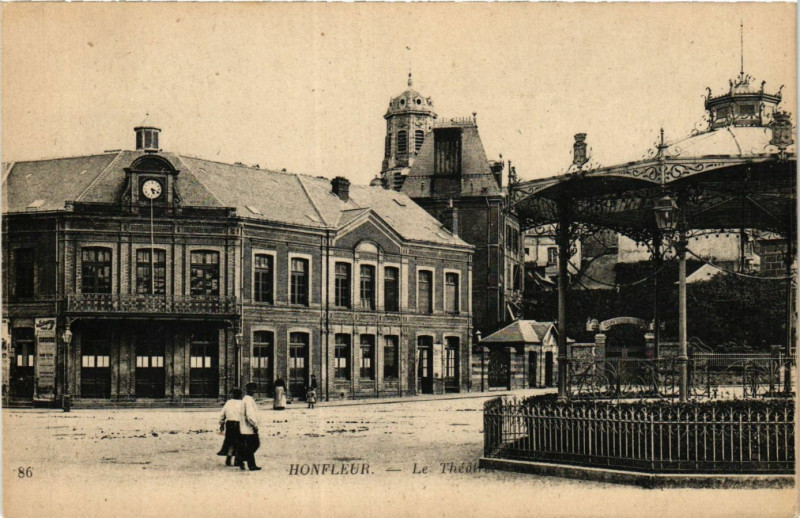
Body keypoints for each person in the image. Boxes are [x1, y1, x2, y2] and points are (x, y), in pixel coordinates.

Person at [217, 388, 244, 467]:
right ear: (241, 395)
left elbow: (223, 414)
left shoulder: (228, 403)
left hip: (230, 424)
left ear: (233, 395)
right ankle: (237, 460)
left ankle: (228, 458)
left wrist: (221, 424)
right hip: (239, 424)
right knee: (239, 442)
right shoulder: (243, 403)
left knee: (230, 441)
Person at [239, 382, 262, 471]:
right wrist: (254, 425)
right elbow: (250, 414)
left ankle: (244, 460)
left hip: (244, 427)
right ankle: (249, 463)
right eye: (252, 389)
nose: (253, 391)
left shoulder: (246, 399)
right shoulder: (248, 400)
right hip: (249, 428)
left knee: (251, 446)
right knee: (254, 444)